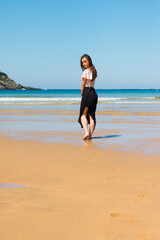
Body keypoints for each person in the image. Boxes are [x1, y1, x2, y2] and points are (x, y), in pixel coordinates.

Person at [78, 54, 98, 140]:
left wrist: (82, 93)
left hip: (87, 92)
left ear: (89, 61)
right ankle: (90, 135)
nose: (83, 64)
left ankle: (86, 132)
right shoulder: (94, 71)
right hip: (93, 93)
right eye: (82, 62)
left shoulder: (85, 72)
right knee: (91, 115)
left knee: (83, 114)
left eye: (85, 61)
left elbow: (83, 84)